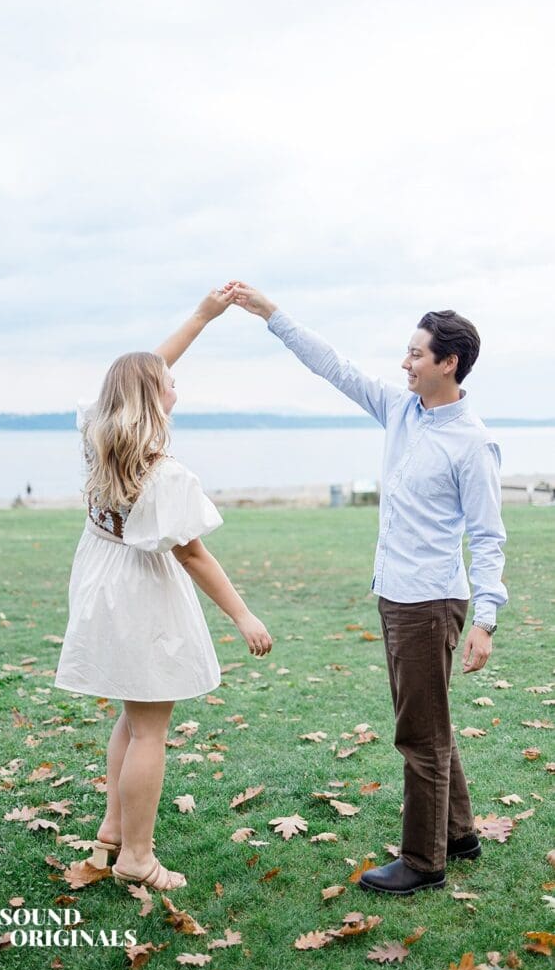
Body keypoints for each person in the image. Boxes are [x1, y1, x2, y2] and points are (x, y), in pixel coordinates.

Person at [231, 281, 507, 897]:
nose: (404, 363)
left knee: (419, 734)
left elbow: (489, 538)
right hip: (397, 594)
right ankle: (458, 835)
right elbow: (336, 367)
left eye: (415, 354)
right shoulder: (400, 409)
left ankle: (424, 863)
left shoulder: (473, 442)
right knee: (429, 721)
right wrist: (272, 313)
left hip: (431, 602)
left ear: (448, 363)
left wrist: (485, 620)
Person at [54, 288, 273, 892]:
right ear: (153, 398)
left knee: (131, 715)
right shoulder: (166, 473)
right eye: (168, 384)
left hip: (102, 584)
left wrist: (202, 317)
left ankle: (112, 834)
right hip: (143, 596)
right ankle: (138, 858)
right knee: (150, 727)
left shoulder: (98, 431)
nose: (177, 386)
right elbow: (195, 555)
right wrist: (244, 616)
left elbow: (138, 376)